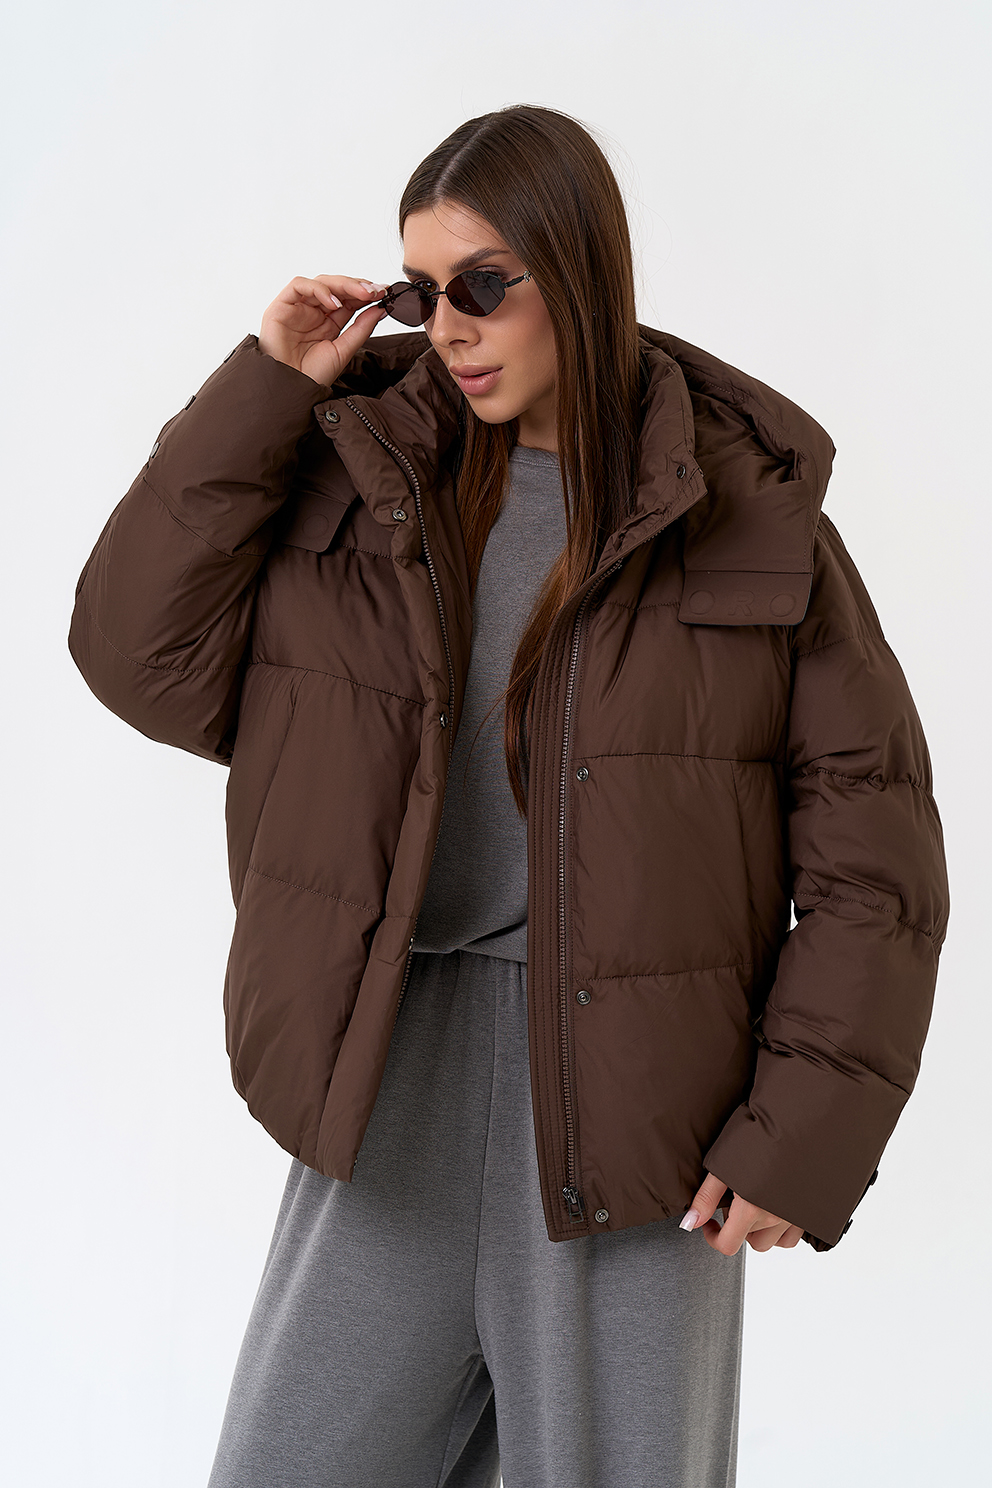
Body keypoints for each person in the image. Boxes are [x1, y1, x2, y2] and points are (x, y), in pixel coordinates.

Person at [67, 104, 950, 1487]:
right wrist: (267, 388)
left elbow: (874, 859)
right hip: (390, 1074)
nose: (452, 329)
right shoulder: (356, 482)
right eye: (422, 294)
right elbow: (138, 657)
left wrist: (805, 1133)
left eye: (483, 285)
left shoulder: (747, 520)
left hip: (636, 1108)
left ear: (579, 269)